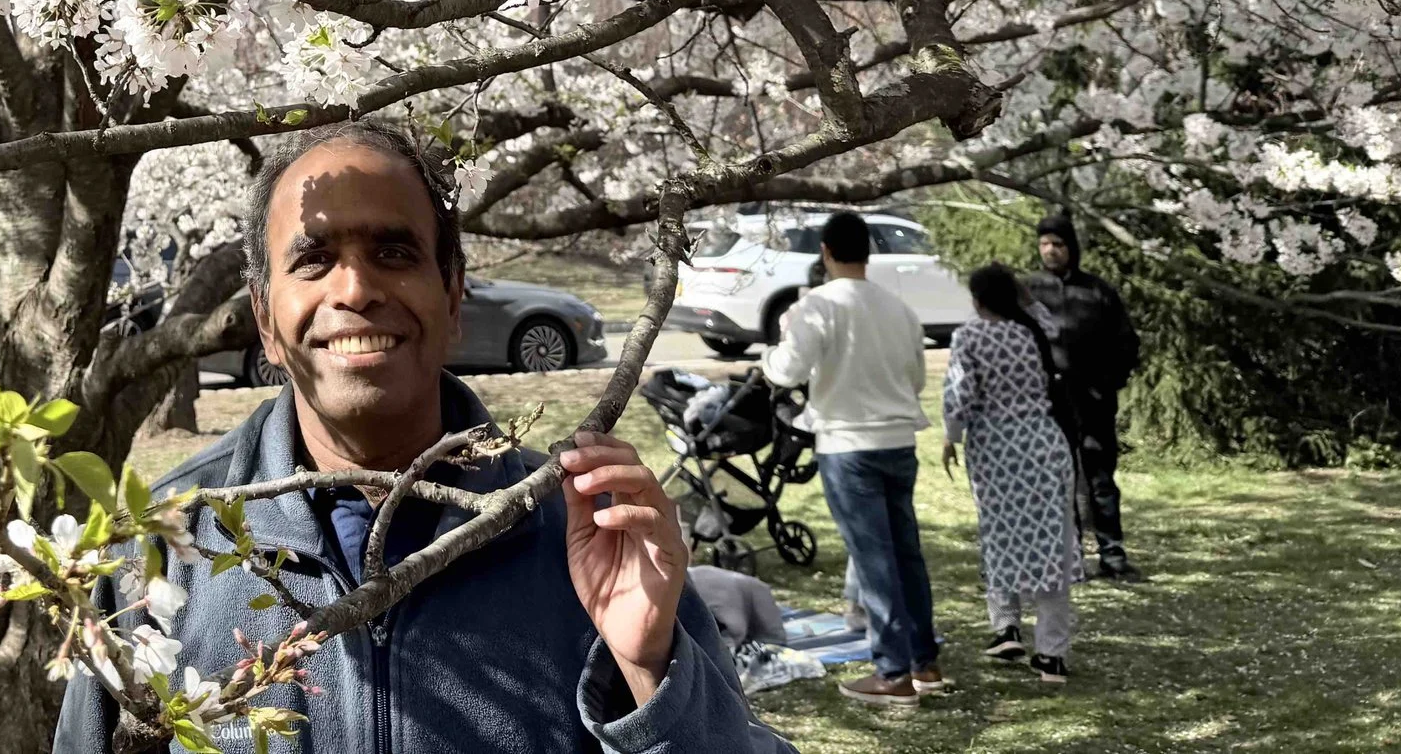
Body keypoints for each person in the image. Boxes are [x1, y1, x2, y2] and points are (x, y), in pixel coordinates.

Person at [55, 124, 793, 754]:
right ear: (265, 319)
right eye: (313, 259)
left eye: (396, 253)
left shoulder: (584, 535)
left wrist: (649, 668)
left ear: (453, 297)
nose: (354, 289)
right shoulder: (156, 549)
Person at [761, 210, 942, 708]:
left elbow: (786, 370)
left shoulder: (816, 305)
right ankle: (925, 661)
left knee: (874, 559)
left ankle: (892, 671)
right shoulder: (898, 308)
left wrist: (773, 346)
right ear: (869, 250)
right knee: (906, 553)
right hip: (898, 440)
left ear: (826, 252)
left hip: (847, 443)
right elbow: (918, 380)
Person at [941, 263, 1083, 685]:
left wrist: (951, 436)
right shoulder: (1035, 330)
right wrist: (1019, 291)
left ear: (977, 299)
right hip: (1046, 446)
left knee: (1000, 537)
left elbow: (960, 395)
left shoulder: (970, 336)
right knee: (1051, 547)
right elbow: (1040, 312)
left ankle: (1005, 626)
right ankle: (1052, 654)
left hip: (997, 452)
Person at [1027, 210, 1142, 578]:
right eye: (1044, 244)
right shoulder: (1029, 292)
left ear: (1071, 248)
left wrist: (1108, 382)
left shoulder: (1097, 291)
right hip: (1049, 403)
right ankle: (1069, 555)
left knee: (1100, 478)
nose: (1050, 251)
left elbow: (1125, 342)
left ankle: (1112, 553)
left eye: (1057, 244)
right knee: (1058, 480)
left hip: (1094, 400)